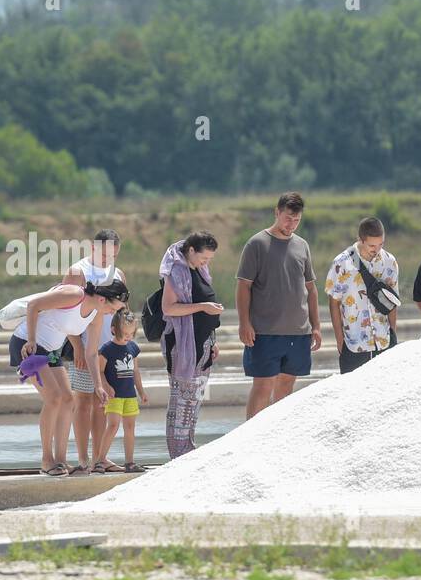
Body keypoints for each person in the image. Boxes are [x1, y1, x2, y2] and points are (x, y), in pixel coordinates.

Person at [8, 279, 129, 476]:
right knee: (54, 398)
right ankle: (47, 461)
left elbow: (90, 353)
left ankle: (61, 461)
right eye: (114, 308)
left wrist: (98, 385)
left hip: (50, 349)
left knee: (68, 399)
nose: (112, 314)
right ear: (102, 299)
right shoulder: (75, 295)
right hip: (27, 344)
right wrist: (30, 339)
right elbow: (34, 305)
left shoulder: (95, 315)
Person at [236, 191, 322, 419]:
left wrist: (316, 326)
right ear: (277, 212)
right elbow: (243, 286)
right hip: (264, 331)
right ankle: (251, 438)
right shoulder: (256, 244)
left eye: (296, 220)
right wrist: (244, 323)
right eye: (288, 218)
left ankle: (277, 441)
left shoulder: (302, 246)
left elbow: (311, 289)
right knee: (263, 386)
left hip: (298, 332)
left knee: (286, 386)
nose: (291, 224)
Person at [63, 229, 126, 475]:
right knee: (83, 401)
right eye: (104, 254)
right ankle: (82, 458)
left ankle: (101, 457)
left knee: (104, 403)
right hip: (84, 344)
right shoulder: (77, 272)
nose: (108, 259)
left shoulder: (118, 273)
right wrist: (77, 345)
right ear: (92, 248)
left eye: (114, 255)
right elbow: (65, 311)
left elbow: (122, 310)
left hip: (109, 347)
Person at [159, 231, 224, 458]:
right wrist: (203, 307)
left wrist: (211, 339)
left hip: (201, 343)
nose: (206, 262)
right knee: (181, 400)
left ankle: (188, 446)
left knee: (194, 400)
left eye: (209, 259)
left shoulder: (199, 270)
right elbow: (169, 308)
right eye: (203, 257)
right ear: (191, 251)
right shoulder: (177, 270)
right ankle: (177, 451)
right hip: (182, 344)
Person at [326, 216, 399, 374]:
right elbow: (333, 303)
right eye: (372, 245)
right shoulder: (342, 263)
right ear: (360, 239)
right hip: (353, 343)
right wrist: (340, 341)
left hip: (384, 342)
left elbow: (393, 302)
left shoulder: (389, 261)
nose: (377, 249)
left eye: (381, 244)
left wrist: (393, 334)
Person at [94, 309, 148, 474]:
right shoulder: (107, 349)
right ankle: (100, 460)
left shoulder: (133, 348)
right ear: (113, 329)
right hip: (114, 396)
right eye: (125, 333)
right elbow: (100, 371)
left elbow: (136, 372)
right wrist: (105, 386)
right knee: (113, 425)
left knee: (130, 428)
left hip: (130, 395)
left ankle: (129, 462)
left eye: (131, 333)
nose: (128, 336)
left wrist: (141, 391)